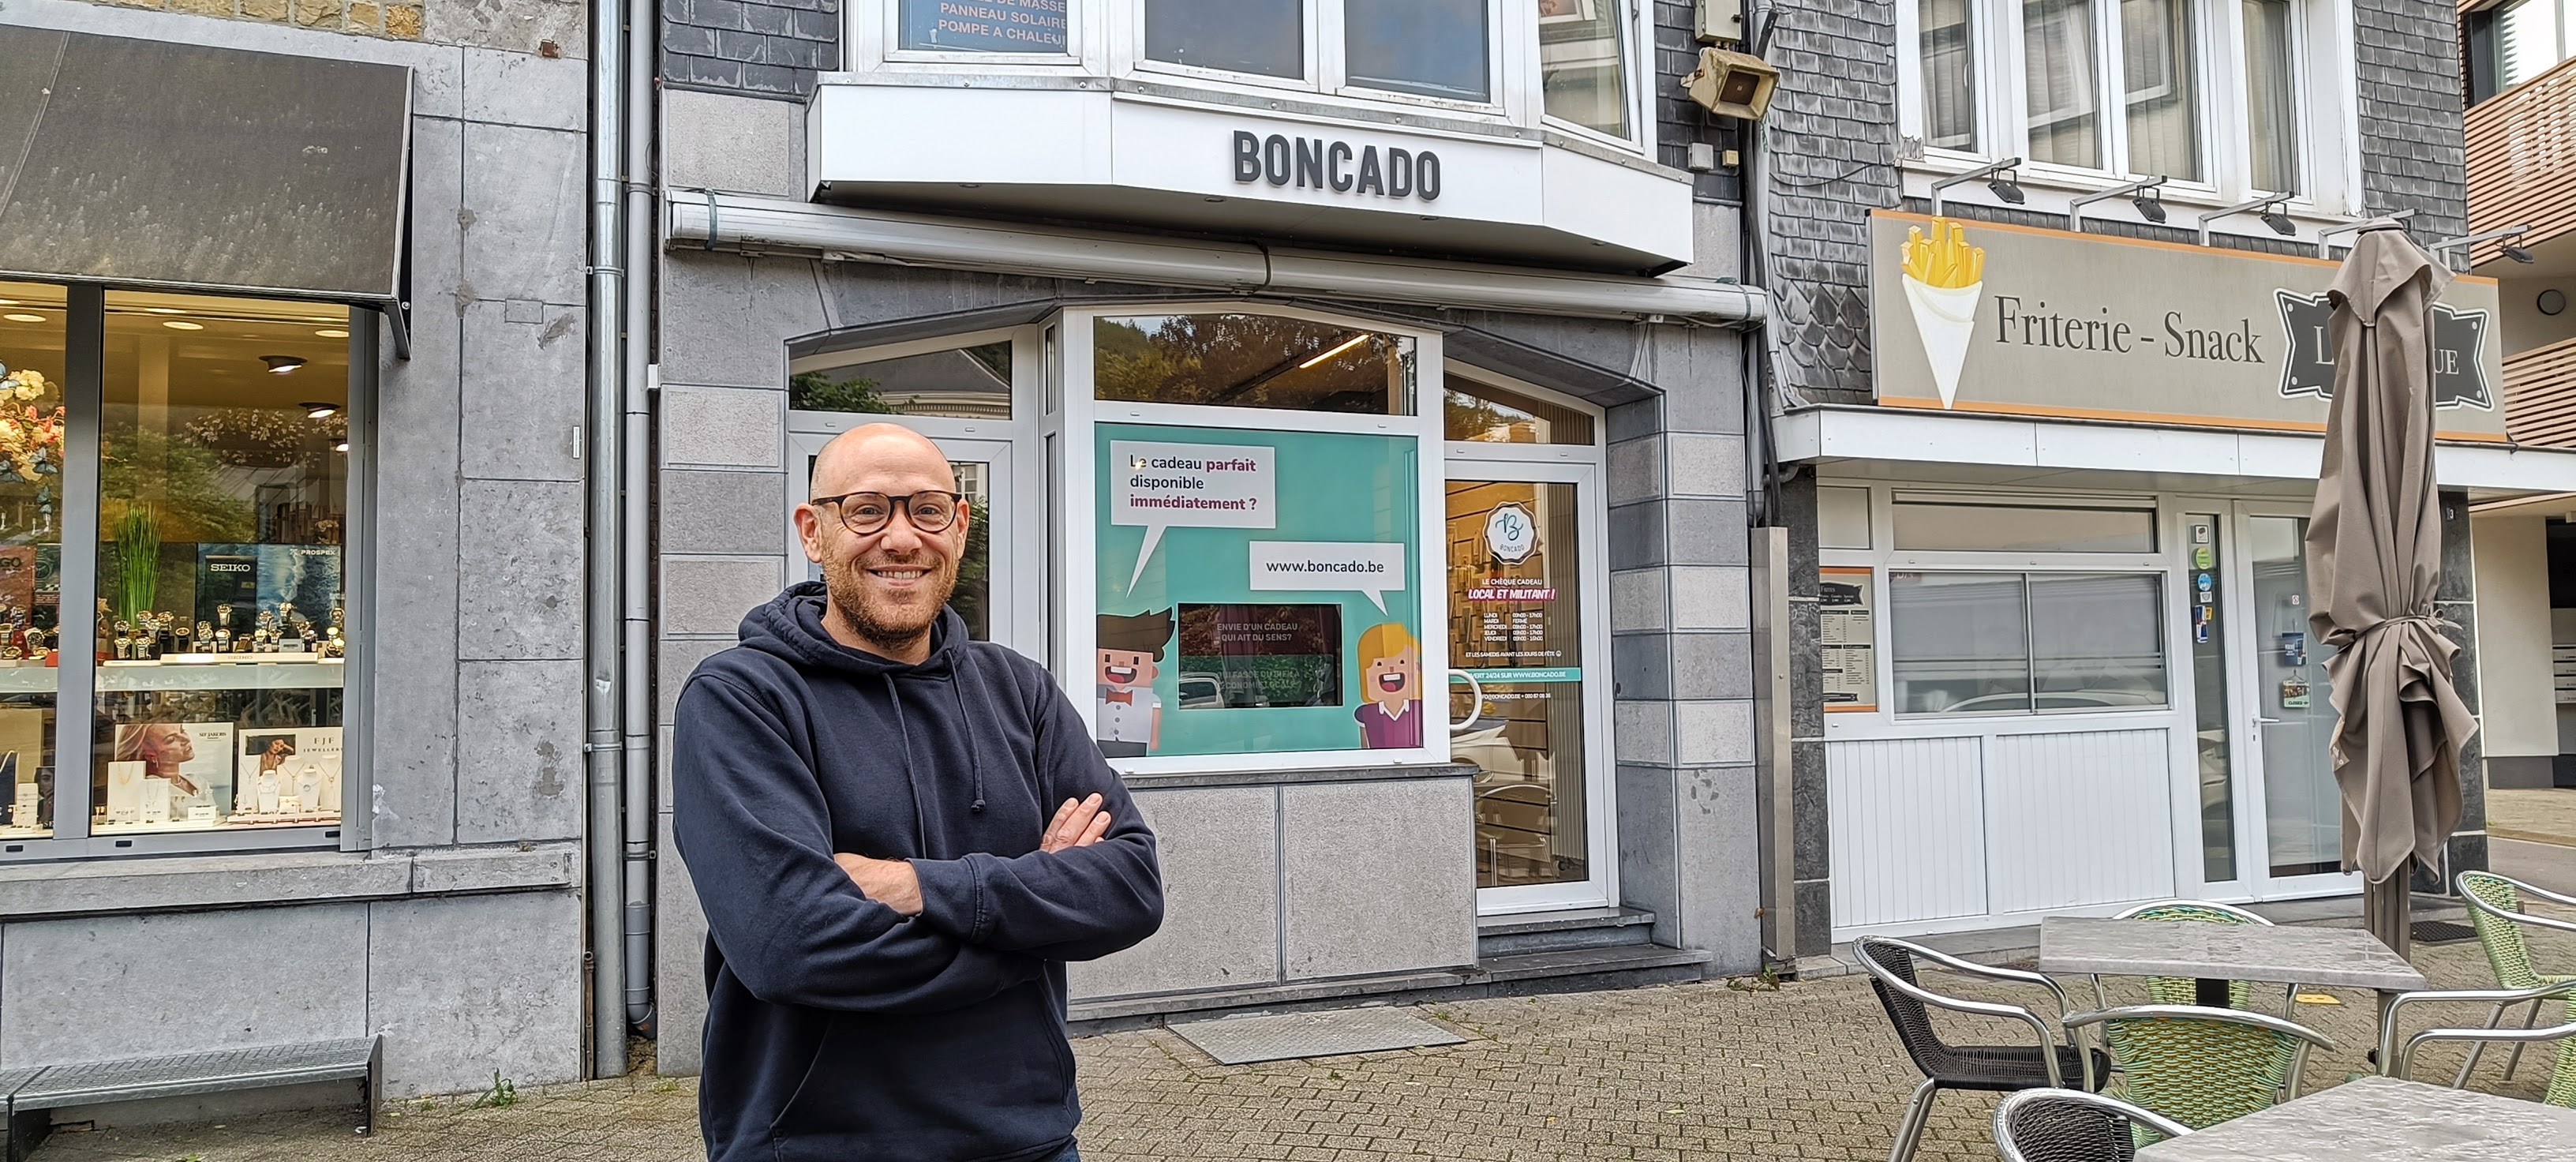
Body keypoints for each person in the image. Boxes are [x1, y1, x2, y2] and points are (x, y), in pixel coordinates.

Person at [672, 423, 1163, 1162]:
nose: (901, 540)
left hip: (1027, 1140)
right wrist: (1030, 926)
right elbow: (788, 944)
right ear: (815, 531)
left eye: (928, 510)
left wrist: (910, 886)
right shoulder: (743, 698)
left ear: (959, 528)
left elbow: (1130, 887)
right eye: (867, 510)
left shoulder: (1018, 690)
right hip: (814, 1145)